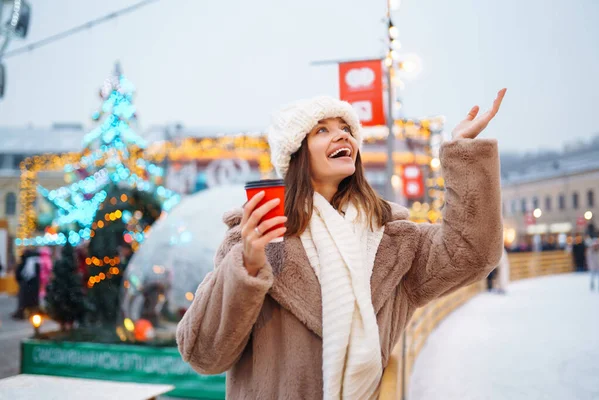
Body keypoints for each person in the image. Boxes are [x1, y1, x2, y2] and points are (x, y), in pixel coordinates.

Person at [177, 90, 506, 399]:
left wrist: (463, 151)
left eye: (346, 128)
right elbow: (204, 354)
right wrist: (247, 265)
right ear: (296, 154)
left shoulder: (395, 242)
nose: (342, 135)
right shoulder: (257, 237)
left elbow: (471, 252)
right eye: (321, 130)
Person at [11, 247, 41, 320]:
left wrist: (19, 280)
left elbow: (20, 273)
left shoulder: (26, 261)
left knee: (23, 301)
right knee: (33, 301)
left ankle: (21, 314)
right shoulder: (36, 261)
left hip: (25, 285)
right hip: (34, 285)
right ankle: (33, 313)